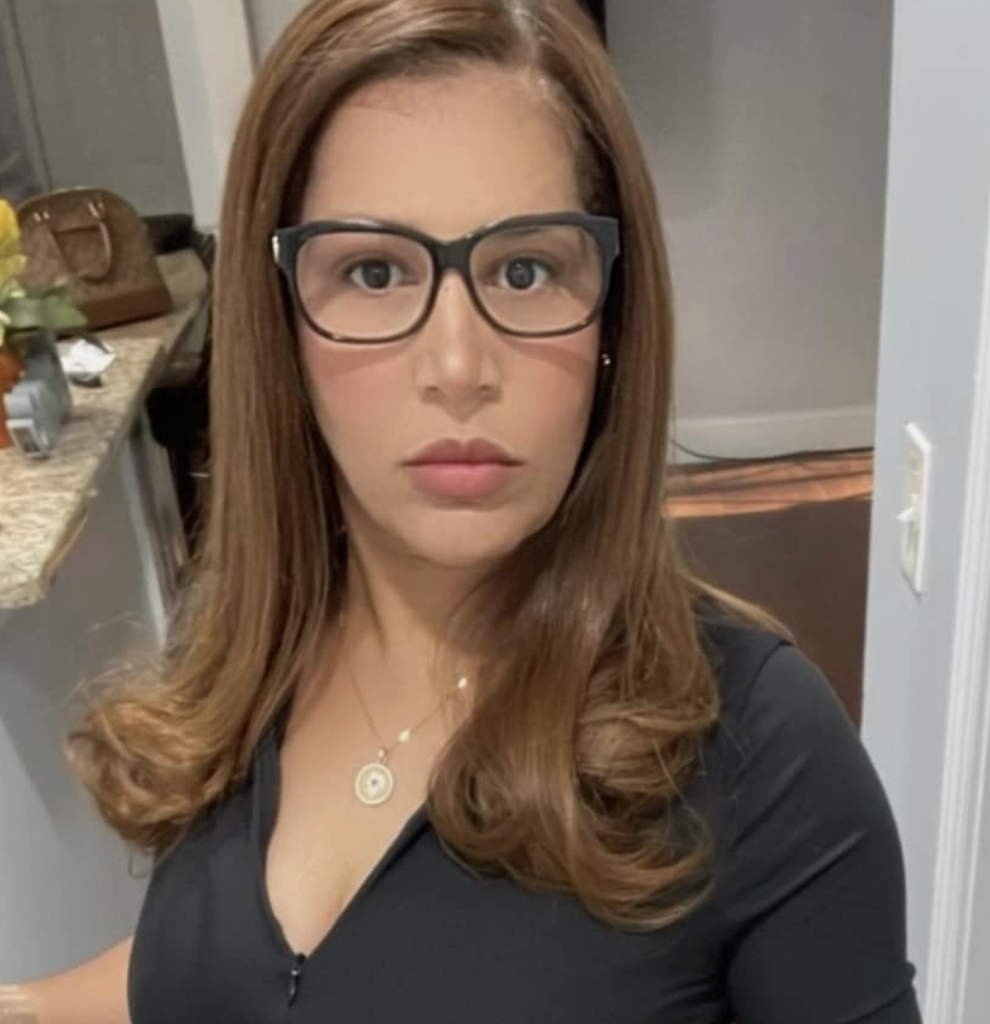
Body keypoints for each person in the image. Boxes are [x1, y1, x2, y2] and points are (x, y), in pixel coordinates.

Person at [0, 1, 923, 1021]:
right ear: (281, 325)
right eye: (374, 272)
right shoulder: (251, 658)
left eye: (525, 270)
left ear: (613, 317)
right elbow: (244, 978)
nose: (457, 366)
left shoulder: (758, 752)